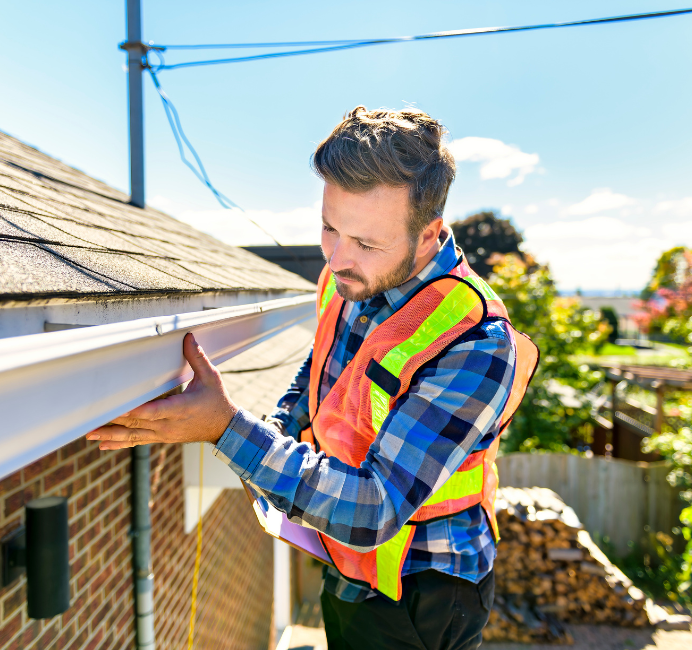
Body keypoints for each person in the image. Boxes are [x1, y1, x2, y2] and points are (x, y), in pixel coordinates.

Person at [87, 106, 537, 650]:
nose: (338, 257)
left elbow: (373, 510)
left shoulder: (476, 343)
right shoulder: (348, 276)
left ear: (429, 235)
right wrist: (278, 424)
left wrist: (225, 428)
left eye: (367, 243)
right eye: (329, 227)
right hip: (346, 561)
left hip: (423, 590)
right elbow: (323, 368)